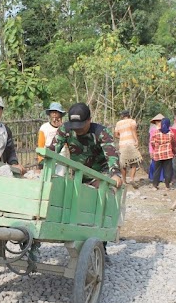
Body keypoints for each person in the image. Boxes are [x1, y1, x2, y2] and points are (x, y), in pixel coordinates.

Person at [49, 102, 122, 257]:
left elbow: (111, 154)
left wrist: (115, 173)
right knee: (74, 204)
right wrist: (43, 167)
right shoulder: (65, 130)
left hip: (99, 174)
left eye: (81, 125)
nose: (78, 129)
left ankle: (101, 246)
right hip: (78, 173)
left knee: (99, 204)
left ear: (89, 120)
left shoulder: (101, 132)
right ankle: (76, 238)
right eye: (75, 125)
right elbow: (52, 151)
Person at [113, 109, 142, 183]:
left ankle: (124, 181)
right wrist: (136, 140)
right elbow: (134, 131)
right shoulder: (132, 121)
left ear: (122, 116)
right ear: (128, 115)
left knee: (123, 164)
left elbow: (116, 134)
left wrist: (122, 137)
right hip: (131, 143)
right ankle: (132, 179)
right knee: (134, 162)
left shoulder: (118, 123)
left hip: (122, 145)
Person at [151, 117, 176, 190]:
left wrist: (156, 148)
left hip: (158, 154)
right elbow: (174, 143)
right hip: (168, 154)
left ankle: (155, 186)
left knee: (156, 170)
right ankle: (167, 186)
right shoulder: (171, 133)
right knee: (168, 170)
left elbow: (152, 143)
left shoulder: (156, 132)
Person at [37, 102, 66, 168]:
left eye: (57, 112)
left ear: (61, 114)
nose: (54, 114)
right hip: (47, 156)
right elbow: (40, 145)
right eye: (52, 112)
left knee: (60, 177)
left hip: (61, 157)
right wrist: (40, 160)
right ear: (49, 114)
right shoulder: (44, 128)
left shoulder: (64, 128)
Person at [148, 114, 165, 181]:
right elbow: (151, 141)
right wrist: (151, 151)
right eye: (157, 121)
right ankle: (153, 178)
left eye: (160, 121)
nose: (159, 123)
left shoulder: (167, 129)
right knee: (154, 164)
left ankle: (162, 178)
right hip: (155, 149)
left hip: (164, 149)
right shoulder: (153, 130)